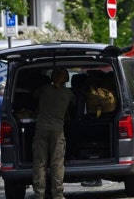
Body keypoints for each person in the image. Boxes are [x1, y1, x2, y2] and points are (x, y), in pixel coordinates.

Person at [32, 68, 75, 199]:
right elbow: (74, 105)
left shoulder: (44, 89)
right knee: (57, 163)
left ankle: (39, 195)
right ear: (66, 79)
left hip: (41, 128)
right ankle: (58, 195)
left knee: (40, 162)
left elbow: (33, 96)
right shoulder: (69, 93)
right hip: (57, 130)